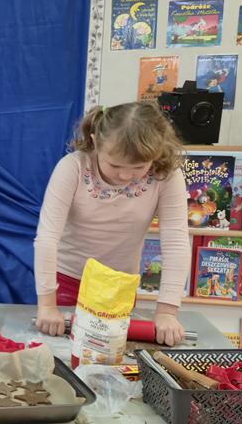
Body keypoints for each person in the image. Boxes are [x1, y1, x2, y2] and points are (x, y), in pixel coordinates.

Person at [34, 101, 190, 346]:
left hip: (119, 287)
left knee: (112, 356)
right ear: (95, 141)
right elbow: (46, 239)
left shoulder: (166, 176)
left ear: (157, 153)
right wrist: (47, 306)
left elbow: (176, 244)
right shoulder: (73, 168)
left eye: (139, 167)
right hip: (66, 282)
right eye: (115, 165)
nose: (125, 175)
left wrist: (167, 312)